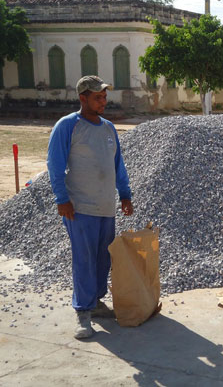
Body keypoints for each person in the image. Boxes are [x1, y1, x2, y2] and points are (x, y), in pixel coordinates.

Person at [47, 75, 134, 339]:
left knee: (102, 258)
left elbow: (117, 165)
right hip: (79, 207)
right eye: (98, 97)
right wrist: (62, 199)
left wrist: (125, 194)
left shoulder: (108, 128)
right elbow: (55, 164)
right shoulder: (68, 126)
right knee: (83, 259)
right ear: (82, 98)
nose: (103, 101)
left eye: (105, 96)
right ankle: (83, 312)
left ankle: (96, 301)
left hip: (105, 206)